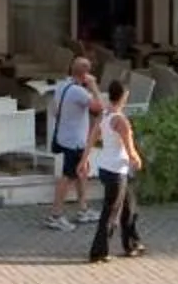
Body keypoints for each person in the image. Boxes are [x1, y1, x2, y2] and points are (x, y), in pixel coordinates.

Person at [86, 78, 145, 263]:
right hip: (117, 171)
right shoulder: (121, 120)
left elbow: (92, 138)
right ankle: (98, 251)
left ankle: (132, 243)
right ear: (124, 96)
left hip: (107, 167)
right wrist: (137, 159)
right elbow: (129, 148)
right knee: (111, 211)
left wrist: (84, 160)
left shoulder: (104, 115)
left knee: (129, 207)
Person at [42, 56, 97, 229]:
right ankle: (55, 215)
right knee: (68, 177)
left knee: (83, 171)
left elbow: (55, 110)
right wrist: (94, 86)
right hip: (75, 141)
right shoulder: (79, 92)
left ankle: (83, 208)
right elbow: (100, 107)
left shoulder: (61, 86)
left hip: (66, 138)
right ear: (86, 74)